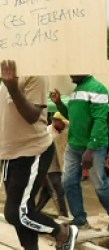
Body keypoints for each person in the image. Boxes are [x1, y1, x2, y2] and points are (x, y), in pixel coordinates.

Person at [0, 60, 78, 250]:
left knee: (16, 213)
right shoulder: (6, 76)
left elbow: (33, 115)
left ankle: (63, 232)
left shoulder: (35, 74)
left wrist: (12, 87)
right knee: (22, 211)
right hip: (10, 154)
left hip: (31, 151)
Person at [50, 75, 109, 231]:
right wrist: (59, 104)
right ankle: (79, 218)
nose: (69, 75)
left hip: (93, 146)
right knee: (68, 181)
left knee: (99, 183)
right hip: (74, 144)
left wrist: (90, 149)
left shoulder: (98, 89)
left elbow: (100, 121)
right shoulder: (76, 90)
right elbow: (73, 117)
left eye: (73, 72)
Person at [36, 112, 69, 218]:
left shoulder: (62, 132)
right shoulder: (47, 133)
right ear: (56, 121)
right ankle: (63, 215)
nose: (64, 125)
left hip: (57, 167)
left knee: (46, 193)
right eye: (62, 123)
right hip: (49, 168)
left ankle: (35, 211)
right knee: (58, 191)